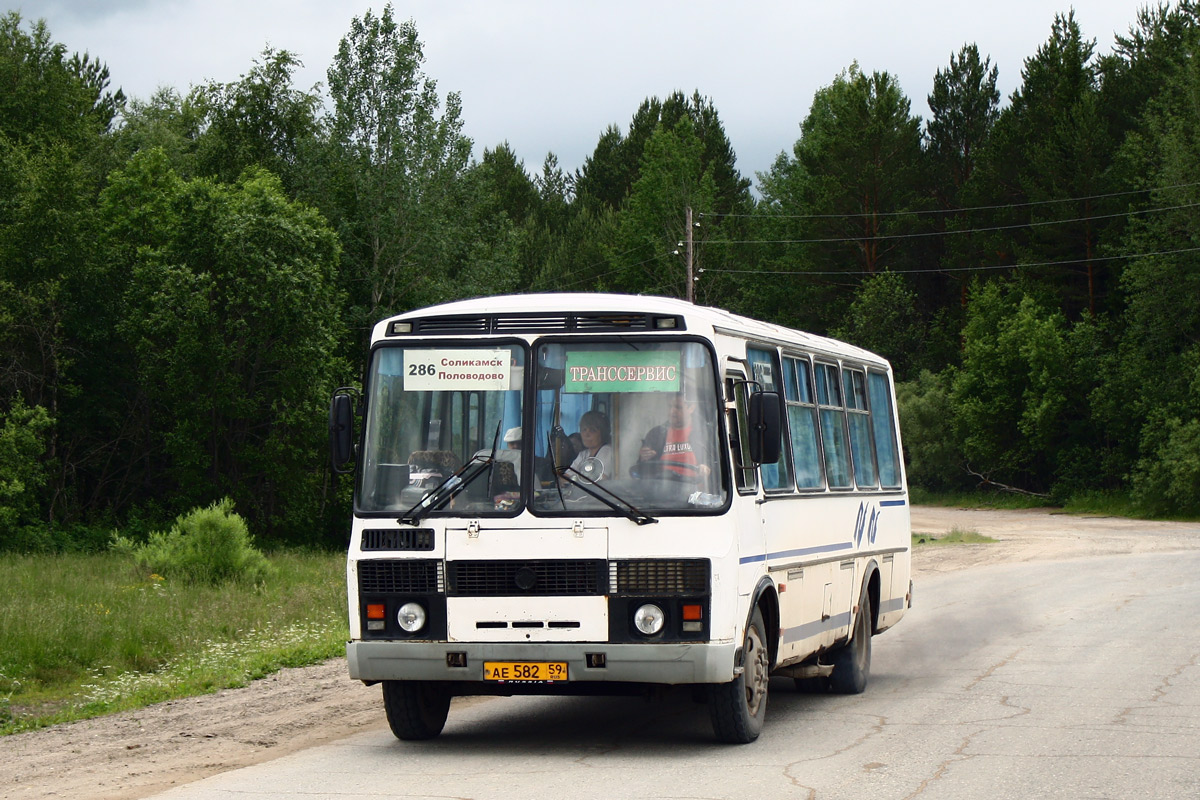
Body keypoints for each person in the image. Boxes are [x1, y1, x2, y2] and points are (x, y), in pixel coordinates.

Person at [638, 393, 712, 481]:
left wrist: (706, 467)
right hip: (662, 489)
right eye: (670, 406)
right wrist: (644, 458)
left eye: (678, 407)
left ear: (691, 408)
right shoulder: (656, 434)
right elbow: (641, 471)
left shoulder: (704, 433)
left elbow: (717, 465)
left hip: (694, 490)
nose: (672, 411)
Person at [569, 411, 613, 481]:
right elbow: (566, 477)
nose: (586, 435)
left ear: (603, 433)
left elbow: (600, 479)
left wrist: (575, 478)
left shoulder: (607, 452)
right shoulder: (583, 454)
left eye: (592, 430)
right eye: (584, 430)